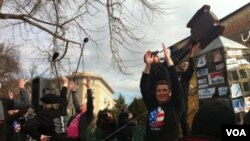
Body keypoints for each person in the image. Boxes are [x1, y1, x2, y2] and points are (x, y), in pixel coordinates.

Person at [140, 44, 183, 141]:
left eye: (164, 90)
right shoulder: (152, 105)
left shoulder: (176, 107)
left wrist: (168, 58)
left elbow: (175, 82)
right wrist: (148, 65)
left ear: (170, 92)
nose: (161, 93)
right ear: (155, 93)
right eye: (159, 91)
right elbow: (144, 88)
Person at [22, 76, 68, 141]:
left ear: (45, 104)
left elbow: (27, 127)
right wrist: (65, 84)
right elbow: (63, 97)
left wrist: (39, 136)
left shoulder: (43, 115)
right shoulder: (62, 109)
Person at [177, 43, 198, 136]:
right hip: (174, 101)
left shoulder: (186, 76)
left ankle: (188, 136)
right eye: (184, 64)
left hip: (182, 102)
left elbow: (191, 68)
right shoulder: (176, 74)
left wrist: (191, 54)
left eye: (187, 65)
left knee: (184, 122)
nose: (186, 65)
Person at [66, 76, 94, 141]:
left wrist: (89, 88)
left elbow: (90, 103)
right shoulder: (78, 114)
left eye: (84, 104)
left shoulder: (88, 115)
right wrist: (73, 91)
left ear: (87, 108)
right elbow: (76, 103)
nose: (82, 104)